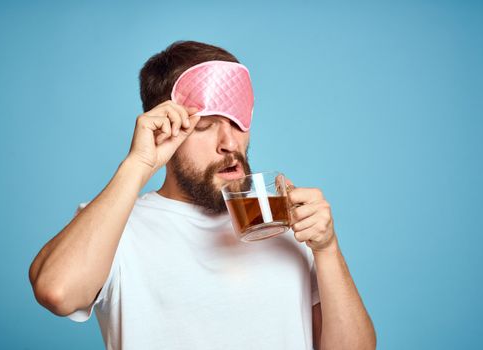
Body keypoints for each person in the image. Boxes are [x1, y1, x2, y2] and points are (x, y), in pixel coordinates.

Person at [29, 40, 376, 350]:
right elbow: (56, 291)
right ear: (166, 129)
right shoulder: (115, 227)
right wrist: (138, 164)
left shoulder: (285, 220)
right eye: (206, 126)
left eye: (238, 124)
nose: (229, 144)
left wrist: (327, 249)